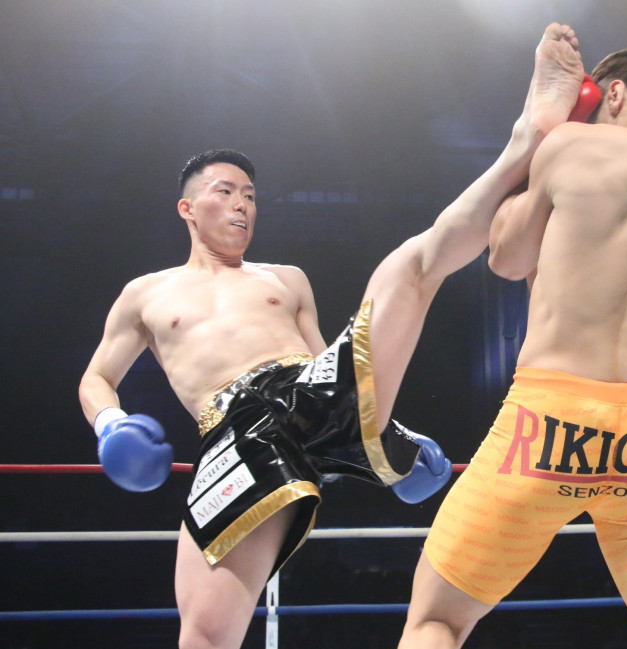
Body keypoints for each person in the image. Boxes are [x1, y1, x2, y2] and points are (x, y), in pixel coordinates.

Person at [78, 22, 589, 649]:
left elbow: (328, 368)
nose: (242, 205)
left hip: (308, 390)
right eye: (225, 192)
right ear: (187, 208)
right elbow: (96, 377)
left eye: (250, 195)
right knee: (206, 635)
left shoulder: (286, 279)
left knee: (411, 266)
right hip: (235, 429)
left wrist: (382, 433)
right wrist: (111, 426)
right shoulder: (145, 293)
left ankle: (526, 137)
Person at [397, 46, 627, 649]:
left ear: (614, 94)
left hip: (546, 427)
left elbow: (506, 260)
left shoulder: (574, 145)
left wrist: (549, 129)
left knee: (437, 621)